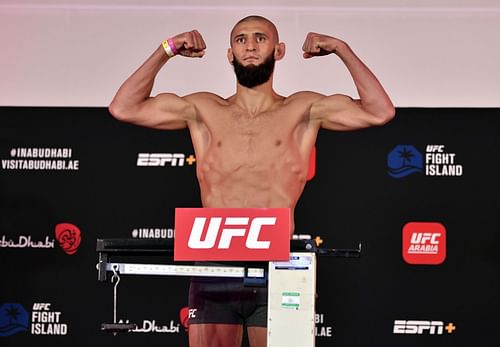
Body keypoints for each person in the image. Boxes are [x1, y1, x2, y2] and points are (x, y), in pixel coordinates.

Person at [109, 15, 395, 347]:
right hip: (214, 263)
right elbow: (123, 107)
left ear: (279, 50)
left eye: (260, 38)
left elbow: (380, 111)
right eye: (241, 39)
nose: (250, 45)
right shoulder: (202, 109)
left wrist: (341, 49)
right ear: (230, 53)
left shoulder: (304, 109)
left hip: (278, 264)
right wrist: (167, 49)